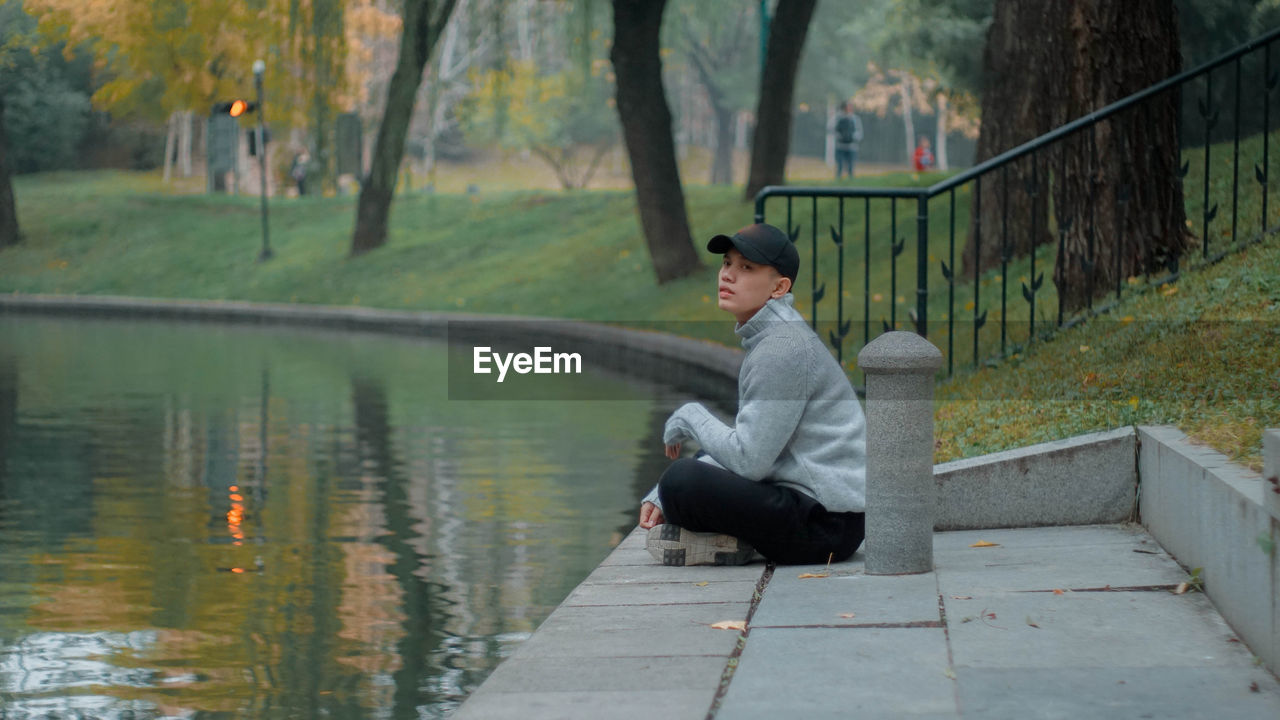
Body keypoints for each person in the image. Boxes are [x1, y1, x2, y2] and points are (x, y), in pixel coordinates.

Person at [638, 223, 867, 566]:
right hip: (817, 511)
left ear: (779, 287)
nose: (728, 275)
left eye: (746, 267)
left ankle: (735, 540)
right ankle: (728, 543)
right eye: (727, 263)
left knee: (681, 481)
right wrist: (660, 494)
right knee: (702, 458)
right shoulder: (775, 338)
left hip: (825, 527)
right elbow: (755, 447)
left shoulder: (782, 348)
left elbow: (750, 460)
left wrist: (688, 414)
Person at [831, 101, 863, 179]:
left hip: (852, 146)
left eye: (850, 107)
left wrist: (854, 137)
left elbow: (859, 131)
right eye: (847, 107)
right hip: (840, 146)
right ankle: (838, 180)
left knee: (851, 166)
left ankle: (850, 181)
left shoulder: (855, 119)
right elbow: (831, 128)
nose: (848, 109)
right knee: (840, 166)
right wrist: (839, 136)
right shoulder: (838, 118)